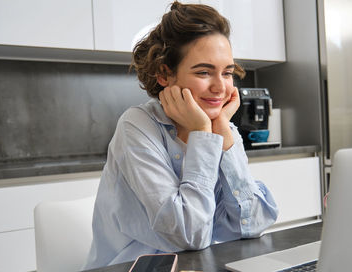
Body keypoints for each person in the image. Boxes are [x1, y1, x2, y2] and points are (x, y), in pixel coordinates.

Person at [83, 1, 279, 269]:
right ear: (165, 74)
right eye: (204, 72)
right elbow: (189, 236)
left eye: (227, 72)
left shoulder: (221, 127)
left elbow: (254, 224)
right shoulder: (137, 127)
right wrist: (202, 134)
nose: (220, 87)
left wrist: (223, 132)